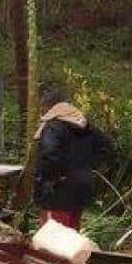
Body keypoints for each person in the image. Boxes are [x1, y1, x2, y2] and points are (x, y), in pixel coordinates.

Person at [34, 98, 112, 230]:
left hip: (57, 192)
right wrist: (89, 167)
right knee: (72, 235)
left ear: (50, 108)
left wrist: (52, 178)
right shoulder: (88, 128)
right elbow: (106, 147)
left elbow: (50, 153)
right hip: (81, 188)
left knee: (53, 238)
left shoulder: (54, 127)